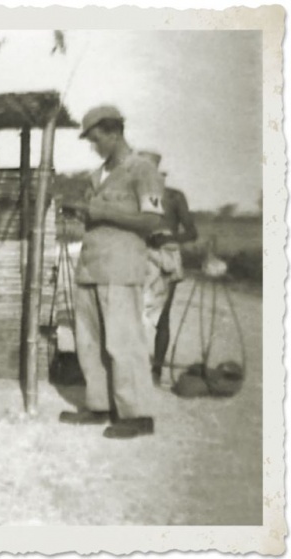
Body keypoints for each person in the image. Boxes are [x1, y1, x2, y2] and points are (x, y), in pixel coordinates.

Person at [59, 105, 165, 439]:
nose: (94, 147)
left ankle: (137, 415)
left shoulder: (142, 170)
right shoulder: (98, 175)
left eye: (97, 139)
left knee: (124, 342)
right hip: (91, 267)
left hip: (120, 268)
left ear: (115, 132)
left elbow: (151, 221)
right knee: (89, 342)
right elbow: (97, 215)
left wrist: (102, 211)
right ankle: (99, 405)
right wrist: (82, 212)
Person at [138, 151, 198, 386]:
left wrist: (168, 238)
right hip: (138, 258)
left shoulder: (173, 197)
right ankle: (131, 368)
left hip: (166, 259)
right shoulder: (134, 196)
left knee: (162, 317)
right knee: (132, 314)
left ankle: (156, 370)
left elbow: (192, 233)